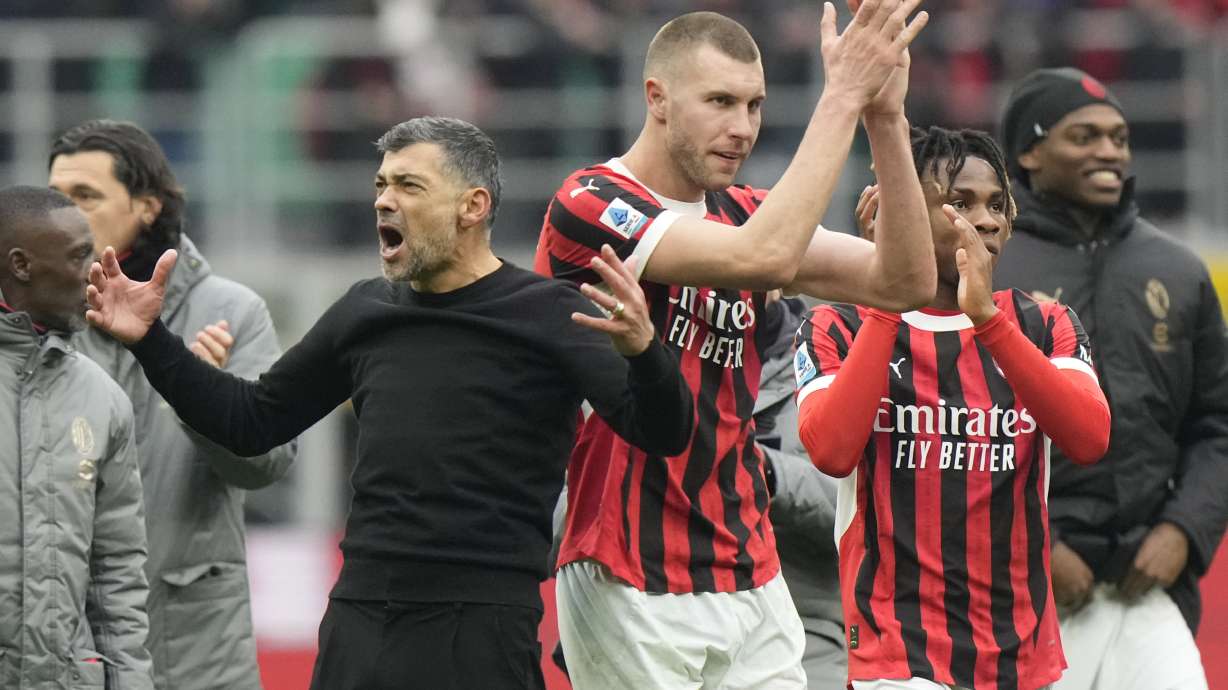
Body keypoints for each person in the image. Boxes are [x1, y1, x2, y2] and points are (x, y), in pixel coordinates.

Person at [82, 116, 695, 690]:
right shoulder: (366, 309)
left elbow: (662, 432)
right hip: (359, 617)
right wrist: (151, 340)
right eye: (380, 184)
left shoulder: (550, 313)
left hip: (480, 624)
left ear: (472, 206)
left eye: (408, 185)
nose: (383, 199)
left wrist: (645, 352)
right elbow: (251, 423)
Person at [535, 4, 936, 687]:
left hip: (749, 564)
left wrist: (884, 117)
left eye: (754, 105)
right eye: (719, 102)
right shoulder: (592, 202)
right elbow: (766, 258)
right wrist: (839, 94)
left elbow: (905, 282)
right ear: (655, 99)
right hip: (629, 563)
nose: (742, 127)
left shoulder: (745, 209)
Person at [797, 126, 1111, 689]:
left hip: (1022, 658)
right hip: (897, 656)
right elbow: (833, 451)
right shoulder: (839, 326)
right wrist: (887, 293)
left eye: (996, 205)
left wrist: (989, 321)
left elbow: (1088, 440)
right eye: (959, 203)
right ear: (901, 213)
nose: (985, 220)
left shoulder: (1044, 324)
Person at [993, 67, 1228, 690]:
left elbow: (1217, 425)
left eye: (1119, 138)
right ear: (1028, 152)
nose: (1109, 152)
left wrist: (1185, 531)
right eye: (1085, 136)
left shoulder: (1180, 270)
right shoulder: (984, 270)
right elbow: (955, 429)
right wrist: (1036, 546)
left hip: (1145, 588)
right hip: (1019, 592)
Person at [47, 119, 298, 690]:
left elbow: (269, 465)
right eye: (54, 198)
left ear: (147, 206)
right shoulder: (32, 320)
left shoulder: (232, 310)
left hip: (193, 651)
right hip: (58, 648)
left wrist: (201, 398)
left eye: (85, 196)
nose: (63, 213)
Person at [0, 185, 153, 689]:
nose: (97, 270)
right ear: (21, 265)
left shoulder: (102, 397)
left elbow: (117, 574)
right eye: (78, 255)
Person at [754, 294, 848, 689]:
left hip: (805, 626)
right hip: (664, 610)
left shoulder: (833, 354)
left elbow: (867, 508)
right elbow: (564, 515)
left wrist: (771, 475)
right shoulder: (639, 349)